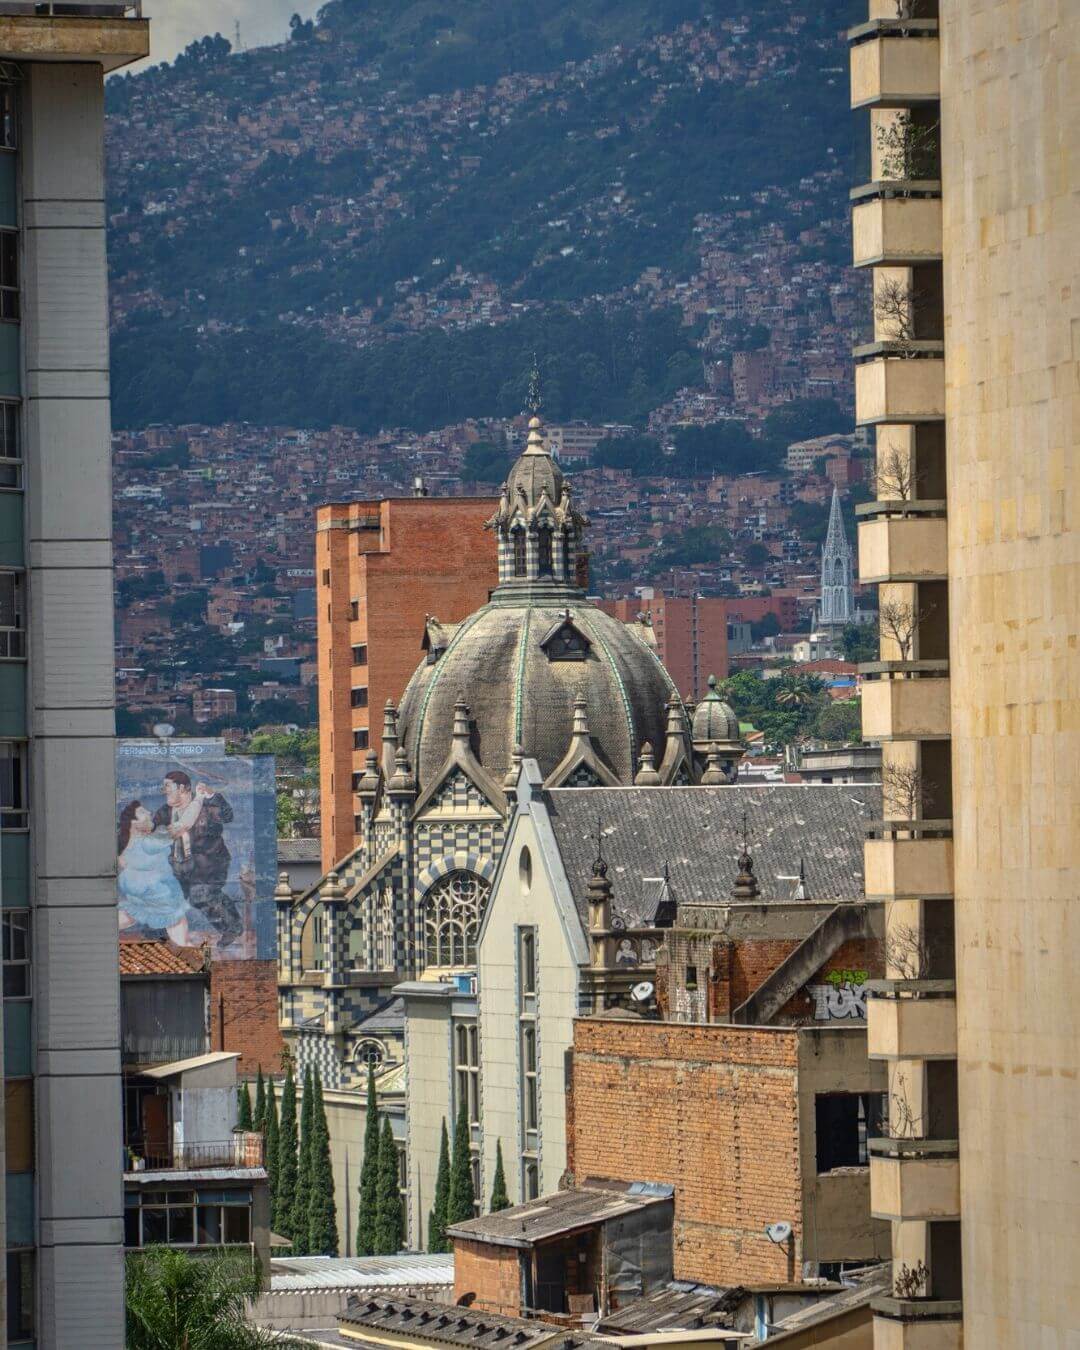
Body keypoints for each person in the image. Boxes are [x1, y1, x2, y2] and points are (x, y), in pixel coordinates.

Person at [153, 769, 244, 947]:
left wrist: (214, 795)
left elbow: (228, 816)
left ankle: (232, 927)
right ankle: (162, 935)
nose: (165, 791)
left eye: (168, 787)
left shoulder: (206, 806)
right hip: (179, 863)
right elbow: (152, 827)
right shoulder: (166, 811)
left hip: (209, 862)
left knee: (201, 894)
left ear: (183, 788)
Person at [117, 801, 191, 946]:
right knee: (175, 915)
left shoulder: (126, 842)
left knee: (133, 912)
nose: (150, 813)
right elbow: (184, 825)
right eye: (143, 812)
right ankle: (185, 947)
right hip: (155, 889)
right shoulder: (150, 842)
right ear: (134, 822)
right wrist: (199, 799)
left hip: (134, 887)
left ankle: (92, 929)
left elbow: (122, 862)